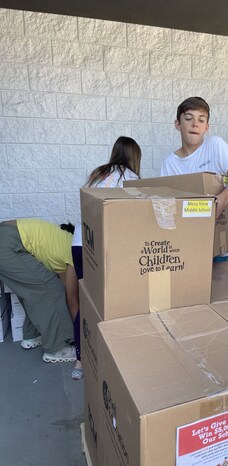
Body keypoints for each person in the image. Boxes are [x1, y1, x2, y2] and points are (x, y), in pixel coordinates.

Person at [67, 136, 142, 380]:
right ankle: (111, 364)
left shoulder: (96, 174)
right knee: (109, 308)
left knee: (86, 303)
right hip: (104, 249)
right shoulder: (133, 180)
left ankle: (80, 362)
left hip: (80, 243)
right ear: (134, 157)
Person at [0, 219, 76, 363]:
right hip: (8, 244)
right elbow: (71, 299)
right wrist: (80, 329)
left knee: (35, 290)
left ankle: (33, 335)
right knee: (52, 290)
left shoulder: (64, 237)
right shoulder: (75, 253)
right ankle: (58, 348)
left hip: (6, 234)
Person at [160, 96, 228, 219]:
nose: (195, 124)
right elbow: (166, 203)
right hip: (187, 228)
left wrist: (220, 201)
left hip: (221, 227)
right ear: (178, 124)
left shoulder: (215, 145)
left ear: (206, 127)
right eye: (189, 118)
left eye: (201, 120)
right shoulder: (170, 163)